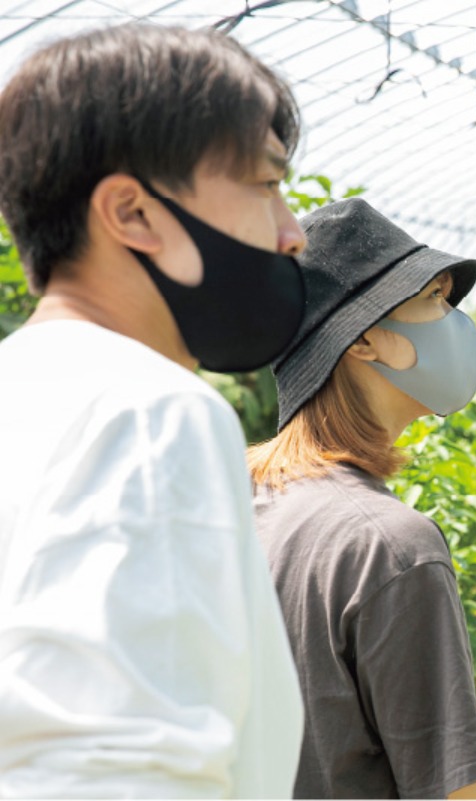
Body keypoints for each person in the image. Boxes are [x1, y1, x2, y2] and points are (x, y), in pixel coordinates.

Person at [0, 23, 308, 797]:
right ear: (133, 214)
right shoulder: (150, 410)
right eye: (268, 186)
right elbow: (122, 773)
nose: (293, 233)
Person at [246, 198, 476, 800]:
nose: (454, 320)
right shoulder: (390, 546)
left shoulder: (230, 496)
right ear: (365, 340)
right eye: (433, 300)